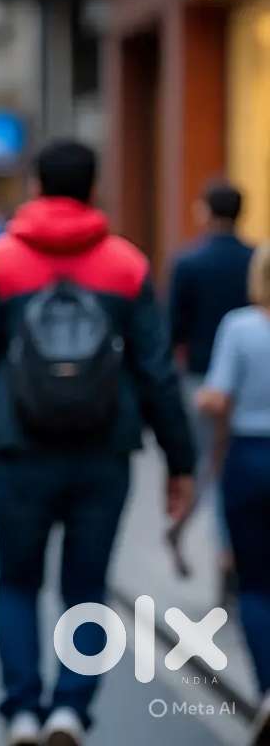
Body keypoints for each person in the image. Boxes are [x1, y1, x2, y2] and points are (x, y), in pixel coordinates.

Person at [0, 139, 195, 746]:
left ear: (34, 187)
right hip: (104, 453)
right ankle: (70, 711)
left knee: (16, 583)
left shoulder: (2, 260)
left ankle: (23, 711)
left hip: (21, 449)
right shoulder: (126, 265)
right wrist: (180, 462)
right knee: (86, 589)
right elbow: (158, 371)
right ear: (93, 189)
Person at [196, 243, 270, 745]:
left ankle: (268, 688)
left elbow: (216, 397)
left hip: (251, 458)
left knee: (257, 585)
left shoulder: (241, 327)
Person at [167, 180, 253, 581]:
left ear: (205, 211)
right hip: (253, 377)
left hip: (201, 383)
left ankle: (197, 535)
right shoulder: (255, 260)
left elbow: (172, 333)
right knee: (236, 464)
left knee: (206, 465)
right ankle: (228, 551)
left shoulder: (189, 262)